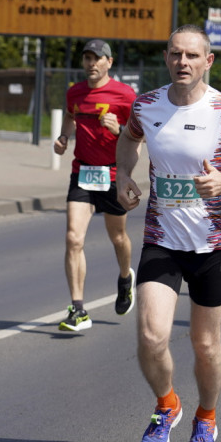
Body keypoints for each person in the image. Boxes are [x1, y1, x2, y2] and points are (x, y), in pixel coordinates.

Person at [115, 25, 221, 442]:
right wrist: (124, 176)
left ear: (208, 62)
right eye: (175, 54)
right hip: (161, 239)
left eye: (192, 56)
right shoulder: (146, 105)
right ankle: (167, 404)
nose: (182, 62)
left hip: (211, 244)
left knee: (205, 346)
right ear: (166, 57)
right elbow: (128, 141)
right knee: (150, 335)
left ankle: (206, 416)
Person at [53, 39, 137, 332]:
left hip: (114, 175)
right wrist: (64, 137)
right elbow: (70, 115)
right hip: (82, 174)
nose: (91, 63)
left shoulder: (125, 95)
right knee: (73, 238)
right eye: (87, 58)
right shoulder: (75, 92)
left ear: (108, 63)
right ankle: (78, 310)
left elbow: (141, 135)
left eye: (97, 58)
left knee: (118, 239)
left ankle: (126, 277)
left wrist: (121, 130)